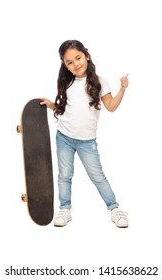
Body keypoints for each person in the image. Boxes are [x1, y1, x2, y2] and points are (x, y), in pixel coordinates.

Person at [40, 40, 129, 228]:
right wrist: (51, 105)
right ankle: (65, 209)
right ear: (65, 65)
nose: (75, 64)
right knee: (64, 175)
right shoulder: (68, 81)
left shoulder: (99, 82)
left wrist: (122, 89)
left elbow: (111, 107)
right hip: (64, 137)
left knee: (97, 176)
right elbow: (64, 109)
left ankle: (114, 208)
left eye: (78, 58)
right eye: (69, 62)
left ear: (86, 56)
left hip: (87, 142)